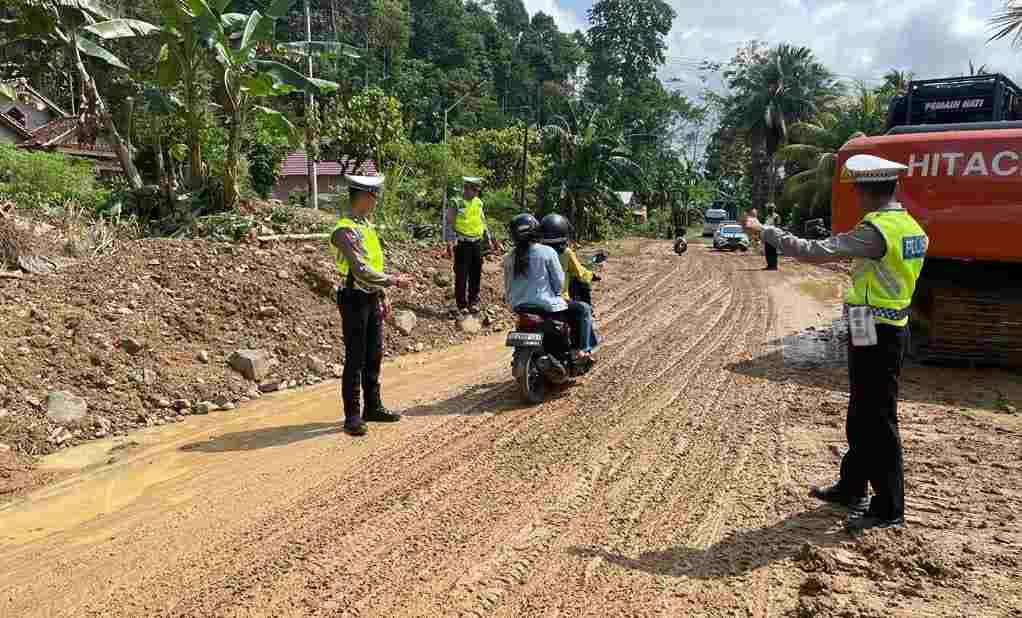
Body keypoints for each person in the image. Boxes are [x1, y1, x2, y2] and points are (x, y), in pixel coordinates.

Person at [742, 154, 928, 531]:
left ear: (867, 191)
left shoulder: (877, 230)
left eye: (857, 189)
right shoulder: (908, 225)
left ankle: (890, 507)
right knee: (862, 409)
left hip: (879, 331)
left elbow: (815, 251)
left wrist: (764, 230)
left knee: (878, 418)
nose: (856, 197)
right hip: (875, 325)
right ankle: (852, 485)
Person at [329, 175, 414, 437]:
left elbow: (373, 266)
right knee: (355, 358)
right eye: (374, 196)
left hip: (370, 297)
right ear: (364, 197)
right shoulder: (344, 230)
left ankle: (373, 407)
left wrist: (382, 295)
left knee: (373, 354)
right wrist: (393, 282)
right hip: (354, 298)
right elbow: (361, 269)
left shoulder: (366, 226)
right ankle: (352, 416)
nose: (375, 201)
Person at [503, 214, 594, 360]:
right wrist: (557, 295)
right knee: (583, 309)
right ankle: (580, 351)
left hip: (519, 306)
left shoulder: (508, 257)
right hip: (546, 305)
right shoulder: (547, 252)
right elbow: (558, 282)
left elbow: (507, 286)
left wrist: (513, 302)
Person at [539, 213, 599, 353]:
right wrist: (592, 275)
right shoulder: (565, 253)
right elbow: (581, 274)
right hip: (559, 301)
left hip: (536, 299)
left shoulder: (536, 252)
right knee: (584, 309)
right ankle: (583, 349)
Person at [445, 177, 498, 316]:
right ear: (466, 188)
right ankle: (461, 304)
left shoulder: (479, 203)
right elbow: (449, 223)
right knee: (461, 274)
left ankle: (473, 301)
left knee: (476, 273)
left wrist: (489, 238)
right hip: (462, 243)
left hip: (477, 243)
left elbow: (483, 222)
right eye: (472, 189)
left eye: (477, 189)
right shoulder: (456, 202)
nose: (475, 192)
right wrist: (450, 242)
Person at [763, 204, 780, 270]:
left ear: (773, 209)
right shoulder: (767, 217)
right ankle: (769, 265)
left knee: (773, 251)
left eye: (771, 208)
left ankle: (774, 265)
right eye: (769, 209)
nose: (769, 210)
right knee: (767, 251)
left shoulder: (776, 216)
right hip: (767, 236)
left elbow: (777, 226)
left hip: (773, 236)